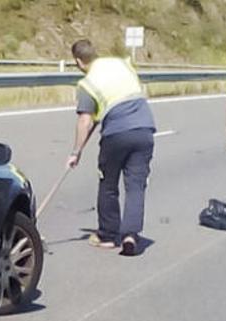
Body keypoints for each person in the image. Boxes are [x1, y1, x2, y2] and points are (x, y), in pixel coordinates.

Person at [65, 39, 157, 256]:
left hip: (117, 132)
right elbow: (117, 98)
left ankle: (107, 235)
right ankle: (130, 235)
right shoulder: (122, 64)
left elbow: (85, 121)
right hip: (144, 127)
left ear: (79, 61)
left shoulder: (87, 84)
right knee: (136, 185)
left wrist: (75, 152)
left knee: (108, 183)